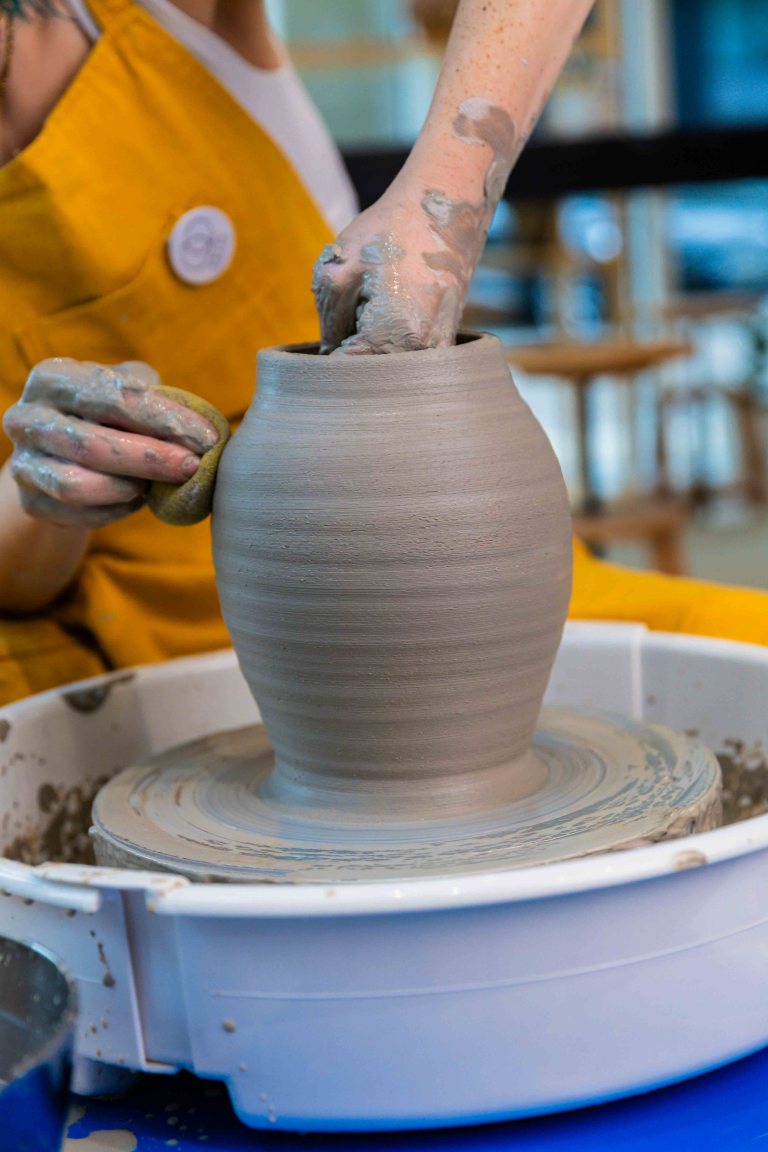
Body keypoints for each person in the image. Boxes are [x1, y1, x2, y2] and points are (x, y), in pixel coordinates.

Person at [0, 0, 765, 709]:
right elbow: (16, 578)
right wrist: (50, 498)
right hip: (117, 642)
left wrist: (447, 200)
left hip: (452, 583)